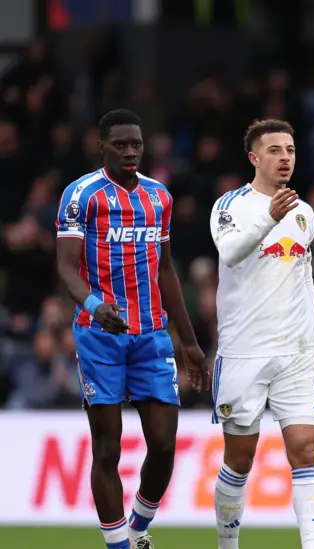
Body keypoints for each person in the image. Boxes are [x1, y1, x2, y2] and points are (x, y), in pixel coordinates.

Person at [54, 109, 207, 549]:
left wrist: (190, 343)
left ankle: (139, 528)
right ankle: (120, 544)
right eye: (120, 144)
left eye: (136, 144)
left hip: (152, 335)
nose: (129, 152)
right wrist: (93, 304)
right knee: (107, 449)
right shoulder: (81, 196)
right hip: (99, 336)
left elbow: (166, 272)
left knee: (163, 445)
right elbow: (65, 267)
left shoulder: (159, 197)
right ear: (101, 146)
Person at [208, 119, 314, 549]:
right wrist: (268, 218)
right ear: (254, 158)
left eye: (290, 150)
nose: (285, 158)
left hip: (295, 351)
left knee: (307, 452)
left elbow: (303, 281)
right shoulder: (230, 205)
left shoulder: (305, 213)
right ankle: (227, 544)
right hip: (243, 351)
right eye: (275, 150)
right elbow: (231, 253)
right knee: (239, 460)